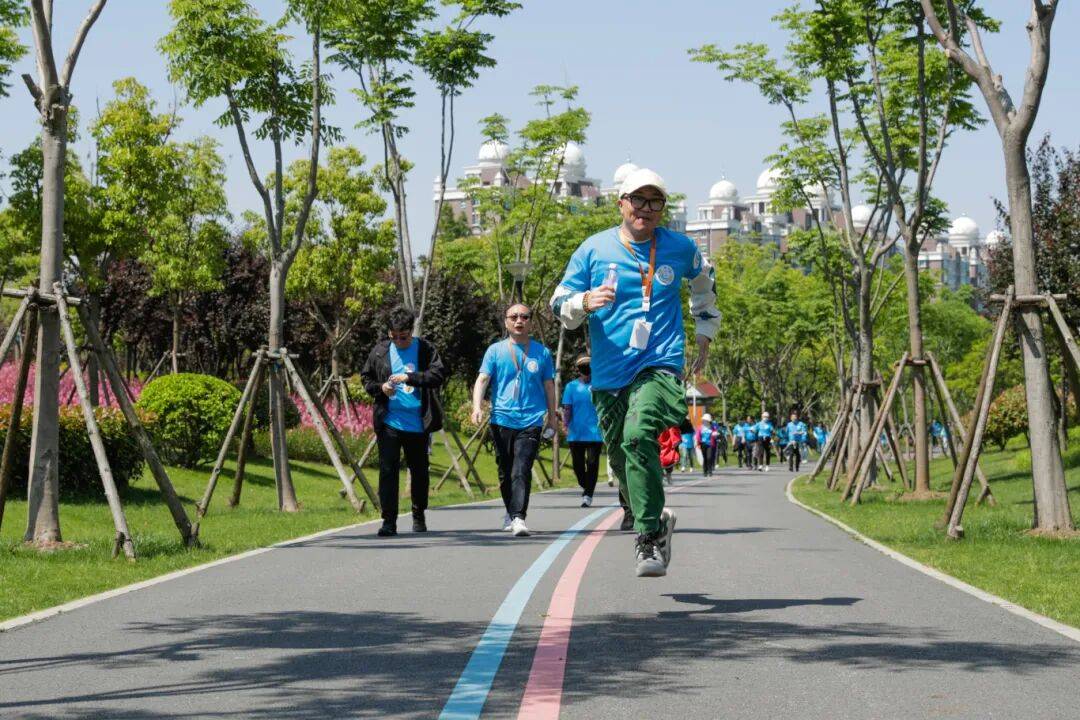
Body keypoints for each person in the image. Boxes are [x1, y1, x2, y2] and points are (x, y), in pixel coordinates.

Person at [550, 167, 720, 577]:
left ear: (663, 208)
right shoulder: (593, 250)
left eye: (655, 201)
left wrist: (704, 332)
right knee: (622, 458)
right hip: (610, 372)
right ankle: (656, 520)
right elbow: (559, 301)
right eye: (638, 200)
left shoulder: (680, 248)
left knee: (638, 433)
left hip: (659, 362)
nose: (646, 208)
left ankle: (647, 539)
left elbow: (704, 282)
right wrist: (584, 301)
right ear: (621, 203)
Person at [471, 303, 557, 538]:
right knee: (505, 470)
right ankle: (510, 512)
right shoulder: (495, 351)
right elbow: (482, 379)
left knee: (521, 468)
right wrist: (477, 407)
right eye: (514, 316)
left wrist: (552, 418)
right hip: (501, 419)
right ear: (506, 321)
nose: (519, 320)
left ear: (531, 322)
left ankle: (519, 517)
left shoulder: (542, 353)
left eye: (525, 317)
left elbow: (549, 386)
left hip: (531, 420)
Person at [362, 305, 447, 537]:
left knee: (419, 471)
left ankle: (418, 514)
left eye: (404, 336)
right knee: (388, 471)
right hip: (390, 421)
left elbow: (438, 375)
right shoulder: (380, 351)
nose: (399, 341)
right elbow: (366, 379)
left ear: (412, 330)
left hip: (418, 423)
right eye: (395, 336)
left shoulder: (425, 349)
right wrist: (382, 387)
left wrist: (410, 377)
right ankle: (389, 521)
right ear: (389, 333)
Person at [562, 355, 604, 509]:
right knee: (578, 466)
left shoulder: (599, 385)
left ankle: (588, 494)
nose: (586, 372)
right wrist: (565, 424)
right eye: (583, 368)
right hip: (576, 433)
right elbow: (567, 408)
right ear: (579, 370)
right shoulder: (571, 387)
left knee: (592, 463)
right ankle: (587, 485)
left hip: (595, 432)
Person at [697, 413, 717, 477]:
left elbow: (715, 435)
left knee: (709, 457)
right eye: (704, 420)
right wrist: (698, 443)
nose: (705, 421)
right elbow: (698, 436)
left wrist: (715, 435)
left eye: (707, 420)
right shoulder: (700, 427)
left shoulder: (712, 427)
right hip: (703, 444)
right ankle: (705, 471)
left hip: (710, 444)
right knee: (705, 458)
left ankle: (710, 471)